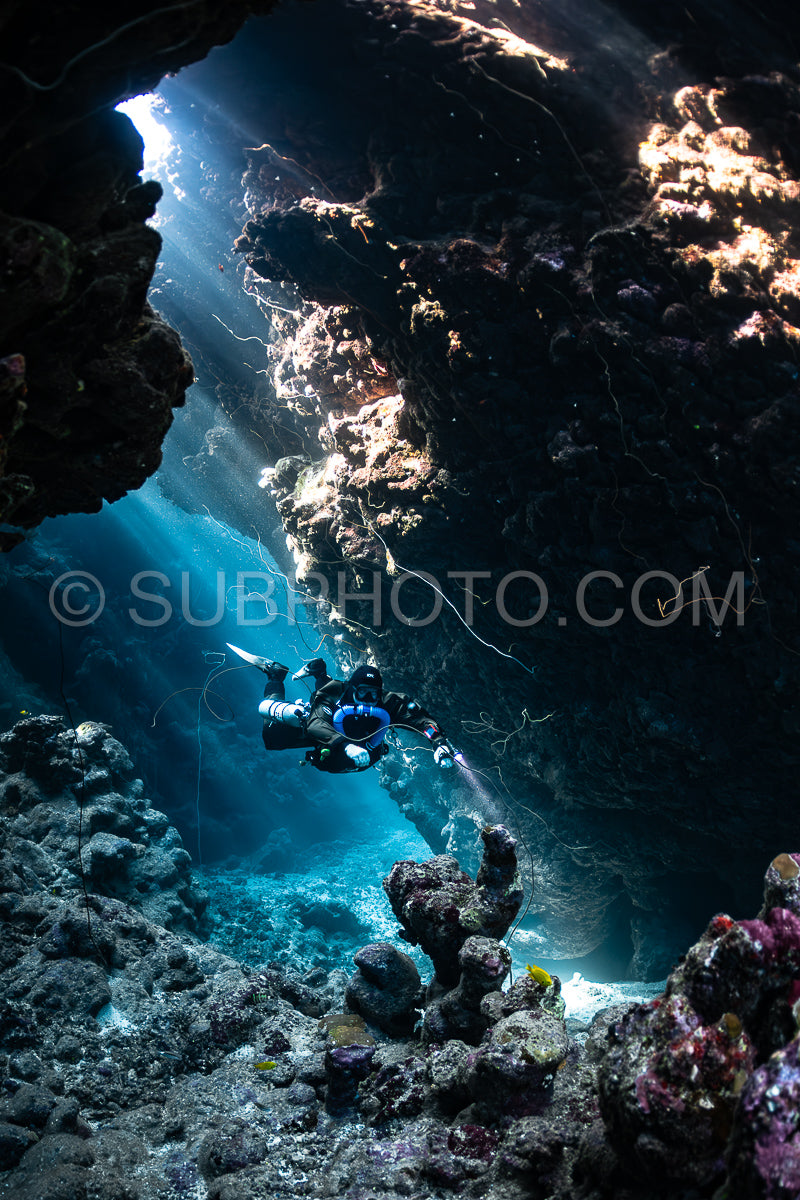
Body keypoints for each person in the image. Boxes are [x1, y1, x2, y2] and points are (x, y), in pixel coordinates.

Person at [257, 656, 459, 774]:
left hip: (356, 744)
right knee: (272, 738)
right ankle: (276, 676)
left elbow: (421, 721)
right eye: (363, 692)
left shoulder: (387, 702)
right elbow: (316, 722)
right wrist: (347, 746)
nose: (368, 699)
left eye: (374, 694)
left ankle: (319, 671)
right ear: (352, 690)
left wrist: (438, 742)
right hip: (329, 733)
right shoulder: (333, 693)